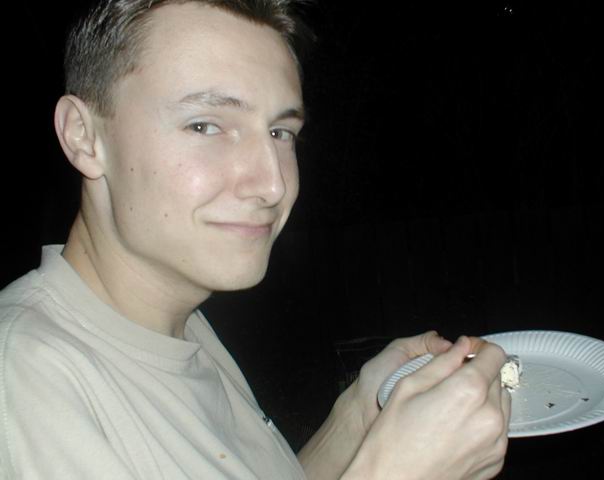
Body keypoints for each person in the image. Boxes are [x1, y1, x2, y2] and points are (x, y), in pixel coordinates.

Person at [0, 1, 511, 478]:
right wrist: (396, 470)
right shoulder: (24, 381)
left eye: (280, 133)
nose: (273, 184)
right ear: (83, 136)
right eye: (205, 126)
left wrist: (359, 419)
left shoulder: (179, 324)